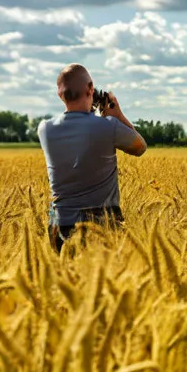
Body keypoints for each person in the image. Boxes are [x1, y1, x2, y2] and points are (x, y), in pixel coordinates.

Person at [37, 64, 147, 254]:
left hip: (60, 225)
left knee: (66, 280)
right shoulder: (108, 126)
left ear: (59, 94)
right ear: (90, 88)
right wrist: (117, 115)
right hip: (102, 224)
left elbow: (80, 129)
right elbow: (140, 147)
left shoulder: (45, 129)